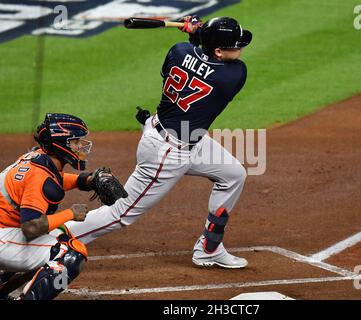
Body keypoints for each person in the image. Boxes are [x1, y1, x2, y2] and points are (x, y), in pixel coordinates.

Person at [65, 16, 253, 269]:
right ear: (219, 50)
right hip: (167, 152)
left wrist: (195, 35)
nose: (240, 50)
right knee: (121, 212)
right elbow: (211, 64)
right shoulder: (233, 75)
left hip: (183, 137)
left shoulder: (178, 51)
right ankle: (49, 236)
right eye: (235, 46)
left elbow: (193, 58)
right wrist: (197, 32)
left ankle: (209, 248)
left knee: (234, 175)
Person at [0, 113, 95, 300]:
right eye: (75, 142)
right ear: (61, 144)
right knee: (69, 254)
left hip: (4, 229)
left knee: (60, 235)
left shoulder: (37, 157)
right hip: (3, 235)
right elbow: (31, 228)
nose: (81, 147)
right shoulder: (39, 176)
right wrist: (70, 213)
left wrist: (84, 181)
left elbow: (54, 180)